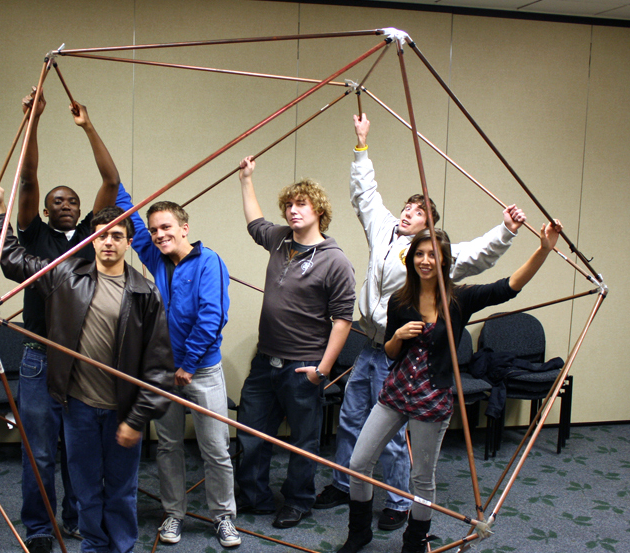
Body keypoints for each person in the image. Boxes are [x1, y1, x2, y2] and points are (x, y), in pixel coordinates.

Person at [314, 114, 526, 532]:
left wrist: (506, 230)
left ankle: (396, 501)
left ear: (431, 230)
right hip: (370, 343)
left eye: (420, 212)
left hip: (401, 354)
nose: (410, 213)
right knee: (351, 417)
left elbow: (480, 255)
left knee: (392, 434)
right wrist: (361, 144)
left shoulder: (429, 257)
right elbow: (365, 193)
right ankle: (345, 481)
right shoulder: (383, 230)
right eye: (409, 208)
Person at [338, 221, 562, 553]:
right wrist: (398, 336)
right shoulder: (400, 301)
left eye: (433, 255)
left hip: (431, 399)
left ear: (444, 260)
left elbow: (509, 286)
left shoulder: (459, 300)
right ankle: (359, 532)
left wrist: (543, 249)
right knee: (359, 463)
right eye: (420, 254)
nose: (425, 260)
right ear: (411, 258)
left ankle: (414, 542)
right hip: (395, 393)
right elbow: (389, 352)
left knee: (422, 479)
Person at [0, 182, 174, 553]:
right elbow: (12, 259)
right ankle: (92, 546)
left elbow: (159, 366)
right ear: (91, 240)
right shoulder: (65, 277)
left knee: (121, 492)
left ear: (128, 242)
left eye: (116, 236)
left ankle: (120, 548)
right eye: (101, 235)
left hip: (122, 411)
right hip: (80, 408)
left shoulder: (145, 293)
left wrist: (137, 419)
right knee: (87, 490)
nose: (107, 242)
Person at [3, 87, 121, 553]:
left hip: (83, 359)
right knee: (41, 452)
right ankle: (38, 528)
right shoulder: (34, 238)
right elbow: (28, 178)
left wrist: (87, 126)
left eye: (72, 199)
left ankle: (76, 516)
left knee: (81, 450)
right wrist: (34, 120)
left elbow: (111, 180)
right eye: (59, 200)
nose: (66, 203)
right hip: (38, 358)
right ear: (47, 209)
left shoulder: (94, 236)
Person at [235, 156, 356, 529]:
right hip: (265, 359)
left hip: (302, 365)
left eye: (300, 204)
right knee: (252, 432)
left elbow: (342, 321)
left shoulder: (335, 261)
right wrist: (246, 180)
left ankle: (299, 500)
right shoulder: (279, 239)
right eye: (288, 205)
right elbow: (256, 222)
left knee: (303, 442)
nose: (292, 210)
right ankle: (253, 497)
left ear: (319, 210)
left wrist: (322, 369)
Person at [115, 186, 240, 548]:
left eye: (166, 227)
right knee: (168, 447)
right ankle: (174, 513)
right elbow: (129, 215)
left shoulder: (209, 261)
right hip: (164, 373)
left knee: (215, 448)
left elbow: (212, 317)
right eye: (154, 230)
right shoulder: (156, 258)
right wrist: (114, 180)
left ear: (184, 228)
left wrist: (187, 364)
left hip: (200, 372)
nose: (159, 235)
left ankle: (224, 518)